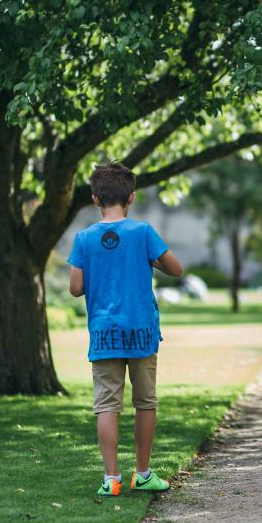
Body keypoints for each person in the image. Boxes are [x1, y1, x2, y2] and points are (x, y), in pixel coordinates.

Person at [69, 161, 183, 496]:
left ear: (94, 199)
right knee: (145, 401)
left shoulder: (84, 238)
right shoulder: (143, 232)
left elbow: (76, 288)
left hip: (104, 332)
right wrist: (150, 258)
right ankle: (143, 473)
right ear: (131, 197)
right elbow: (175, 269)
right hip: (141, 331)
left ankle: (111, 479)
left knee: (107, 404)